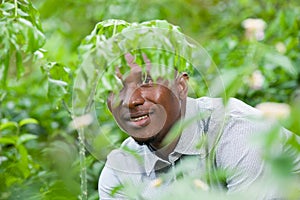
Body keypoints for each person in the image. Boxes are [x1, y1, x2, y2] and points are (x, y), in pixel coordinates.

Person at [95, 20, 300, 200]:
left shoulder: (238, 131)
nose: (131, 101)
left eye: (147, 81)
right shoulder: (120, 170)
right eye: (116, 88)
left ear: (181, 87)